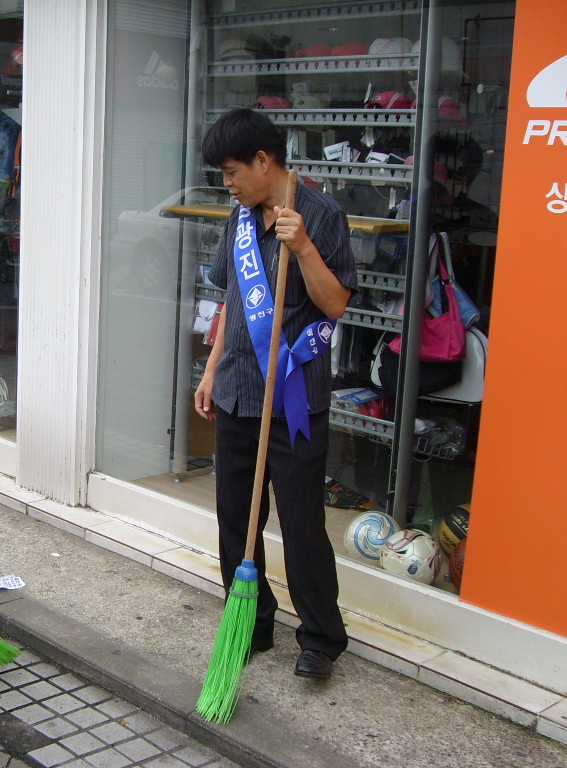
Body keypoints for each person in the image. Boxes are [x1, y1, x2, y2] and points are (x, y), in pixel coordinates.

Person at [193, 108, 357, 680]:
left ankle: (320, 638)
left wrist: (305, 247)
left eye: (233, 171)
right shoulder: (237, 219)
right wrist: (212, 369)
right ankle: (252, 622)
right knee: (236, 518)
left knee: (302, 522)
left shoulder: (321, 214)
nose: (229, 184)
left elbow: (335, 304)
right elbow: (233, 303)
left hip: (294, 399)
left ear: (265, 161)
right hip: (238, 390)